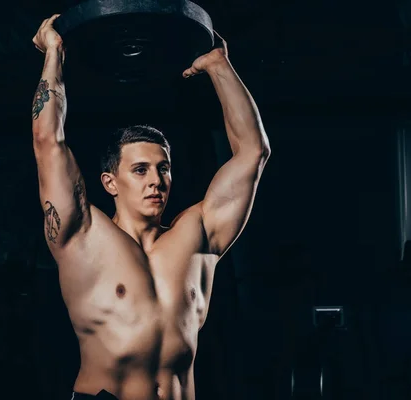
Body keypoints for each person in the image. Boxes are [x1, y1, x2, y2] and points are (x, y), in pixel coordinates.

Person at [31, 14, 271, 400]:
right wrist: (54, 54)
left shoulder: (197, 236)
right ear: (110, 182)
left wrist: (217, 65)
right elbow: (48, 142)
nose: (156, 181)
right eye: (140, 170)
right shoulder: (82, 235)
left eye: (163, 169)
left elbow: (253, 153)